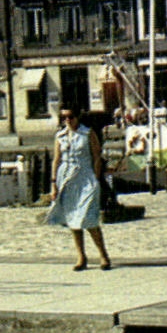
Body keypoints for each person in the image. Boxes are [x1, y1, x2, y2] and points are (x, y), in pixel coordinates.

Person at [46, 108, 113, 271]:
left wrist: (96, 179)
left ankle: (103, 254)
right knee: (73, 219)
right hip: (67, 178)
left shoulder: (87, 133)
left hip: (85, 177)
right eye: (64, 117)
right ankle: (81, 256)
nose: (68, 120)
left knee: (89, 217)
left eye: (71, 116)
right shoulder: (60, 136)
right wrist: (53, 183)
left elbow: (97, 156)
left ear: (77, 117)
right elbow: (56, 160)